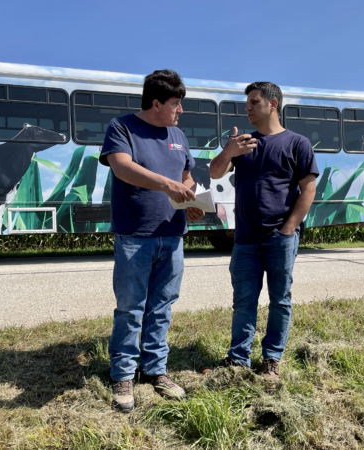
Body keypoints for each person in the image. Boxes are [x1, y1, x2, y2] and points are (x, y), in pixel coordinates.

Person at [99, 69, 205, 413]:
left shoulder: (178, 135)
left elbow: (186, 174)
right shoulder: (122, 127)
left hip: (173, 235)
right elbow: (122, 167)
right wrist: (167, 184)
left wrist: (190, 199)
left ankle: (156, 370)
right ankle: (123, 375)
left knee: (161, 308)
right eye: (176, 103)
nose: (180, 110)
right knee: (130, 309)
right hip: (135, 235)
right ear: (156, 102)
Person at [209, 81, 319, 389]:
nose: (247, 107)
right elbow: (215, 172)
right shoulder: (244, 143)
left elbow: (308, 189)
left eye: (254, 102)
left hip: (279, 238)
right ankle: (238, 358)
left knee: (280, 300)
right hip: (244, 238)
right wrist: (229, 150)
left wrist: (288, 228)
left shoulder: (297, 143)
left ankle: (272, 358)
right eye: (248, 102)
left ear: (272, 104)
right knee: (243, 301)